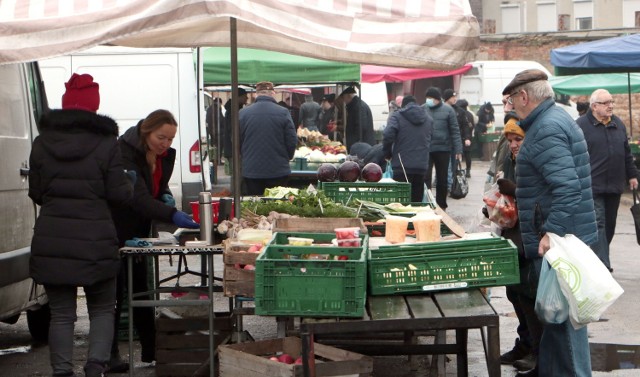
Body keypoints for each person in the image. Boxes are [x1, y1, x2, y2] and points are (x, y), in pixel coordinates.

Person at [28, 73, 133, 377]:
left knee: (61, 314)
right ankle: (96, 366)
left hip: (52, 239)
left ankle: (61, 371)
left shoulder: (41, 142)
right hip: (96, 238)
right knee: (101, 308)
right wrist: (128, 181)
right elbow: (119, 193)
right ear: (94, 107)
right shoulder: (106, 143)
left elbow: (36, 192)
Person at [501, 69, 597, 377]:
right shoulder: (553, 119)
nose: (511, 105)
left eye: (512, 98)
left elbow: (568, 187)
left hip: (560, 243)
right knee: (556, 326)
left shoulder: (545, 129)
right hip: (563, 238)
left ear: (524, 96)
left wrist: (551, 232)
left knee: (564, 327)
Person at [110, 109, 200, 370]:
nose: (166, 144)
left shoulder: (163, 156)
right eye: (162, 137)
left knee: (140, 289)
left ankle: (152, 350)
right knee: (114, 294)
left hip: (140, 231)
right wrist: (172, 213)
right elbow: (136, 198)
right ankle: (109, 354)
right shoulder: (124, 152)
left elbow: (154, 188)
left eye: (171, 139)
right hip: (117, 229)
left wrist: (163, 195)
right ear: (146, 131)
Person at [492, 115, 543, 374]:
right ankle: (525, 344)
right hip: (514, 233)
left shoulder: (534, 159)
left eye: (517, 139)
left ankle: (538, 351)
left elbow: (541, 196)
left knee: (529, 294)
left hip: (532, 236)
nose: (513, 144)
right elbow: (508, 202)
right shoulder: (511, 159)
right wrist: (496, 208)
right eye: (510, 139)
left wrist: (516, 191)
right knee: (514, 292)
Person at [576, 89, 638, 272]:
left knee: (609, 226)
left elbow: (626, 152)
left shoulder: (618, 124)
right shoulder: (581, 126)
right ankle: (603, 266)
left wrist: (632, 175)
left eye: (611, 102)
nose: (611, 105)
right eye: (606, 103)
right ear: (594, 106)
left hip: (615, 184)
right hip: (592, 185)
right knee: (599, 223)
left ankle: (598, 257)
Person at [240, 81, 297, 195]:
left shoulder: (243, 113)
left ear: (256, 94)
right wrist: (288, 156)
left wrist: (245, 157)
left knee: (254, 207)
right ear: (272, 93)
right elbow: (291, 140)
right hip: (278, 170)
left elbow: (236, 141)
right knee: (276, 206)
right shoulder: (283, 112)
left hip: (252, 170)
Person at [383, 95, 433, 202]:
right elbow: (431, 138)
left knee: (400, 203)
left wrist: (387, 154)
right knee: (416, 202)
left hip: (402, 165)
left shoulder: (397, 116)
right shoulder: (428, 119)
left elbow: (388, 135)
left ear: (403, 105)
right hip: (421, 166)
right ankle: (415, 218)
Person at [423, 86, 462, 210]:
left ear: (438, 99)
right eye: (427, 98)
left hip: (443, 149)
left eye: (431, 98)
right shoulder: (423, 109)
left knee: (442, 178)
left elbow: (455, 131)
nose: (429, 100)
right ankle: (426, 203)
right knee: (425, 177)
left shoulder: (448, 110)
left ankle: (441, 205)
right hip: (426, 148)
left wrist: (458, 150)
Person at [443, 89, 471, 187]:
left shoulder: (460, 111)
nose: (455, 99)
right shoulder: (440, 109)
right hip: (442, 142)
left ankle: (451, 185)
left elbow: (465, 125)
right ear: (447, 98)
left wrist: (467, 137)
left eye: (455, 97)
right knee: (443, 165)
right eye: (452, 97)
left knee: (454, 164)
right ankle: (443, 182)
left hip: (455, 142)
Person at [223, 88, 249, 176]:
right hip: (234, 150)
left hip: (234, 149)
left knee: (237, 175)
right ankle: (236, 190)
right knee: (238, 176)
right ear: (238, 97)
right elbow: (233, 131)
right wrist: (238, 147)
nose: (247, 98)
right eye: (245, 96)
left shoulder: (234, 109)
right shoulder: (233, 111)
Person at [456, 99, 475, 177]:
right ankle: (468, 170)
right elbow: (472, 125)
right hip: (468, 137)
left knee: (457, 154)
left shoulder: (459, 114)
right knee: (468, 154)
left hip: (460, 136)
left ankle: (456, 170)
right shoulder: (470, 114)